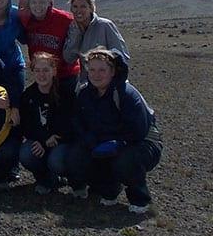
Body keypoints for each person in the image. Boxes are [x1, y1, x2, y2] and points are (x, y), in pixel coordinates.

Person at [65, 47, 162, 213]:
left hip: (140, 143)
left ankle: (140, 199)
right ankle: (107, 191)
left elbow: (137, 131)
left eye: (102, 70)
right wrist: (90, 140)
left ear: (113, 71)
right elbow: (78, 123)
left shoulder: (126, 94)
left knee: (125, 161)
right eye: (92, 70)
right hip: (104, 142)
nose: (97, 74)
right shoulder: (84, 94)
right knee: (78, 155)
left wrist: (114, 141)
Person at [18, 53, 73, 195]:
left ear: (54, 71)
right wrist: (42, 139)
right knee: (27, 152)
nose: (41, 75)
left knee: (57, 160)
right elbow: (26, 125)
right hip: (40, 140)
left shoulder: (65, 93)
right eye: (37, 70)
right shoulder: (28, 95)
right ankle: (45, 179)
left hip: (61, 141)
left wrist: (57, 137)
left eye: (46, 70)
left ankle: (72, 179)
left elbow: (70, 121)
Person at [18, 0, 80, 105]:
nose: (38, 6)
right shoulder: (27, 21)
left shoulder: (64, 19)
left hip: (65, 76)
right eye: (34, 2)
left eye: (42, 2)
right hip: (42, 76)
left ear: (49, 2)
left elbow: (82, 27)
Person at [63, 0, 129, 88]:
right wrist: (76, 35)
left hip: (109, 85)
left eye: (83, 6)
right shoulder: (73, 29)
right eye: (75, 6)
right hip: (87, 86)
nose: (78, 10)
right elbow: (69, 58)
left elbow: (122, 56)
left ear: (91, 8)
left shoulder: (105, 25)